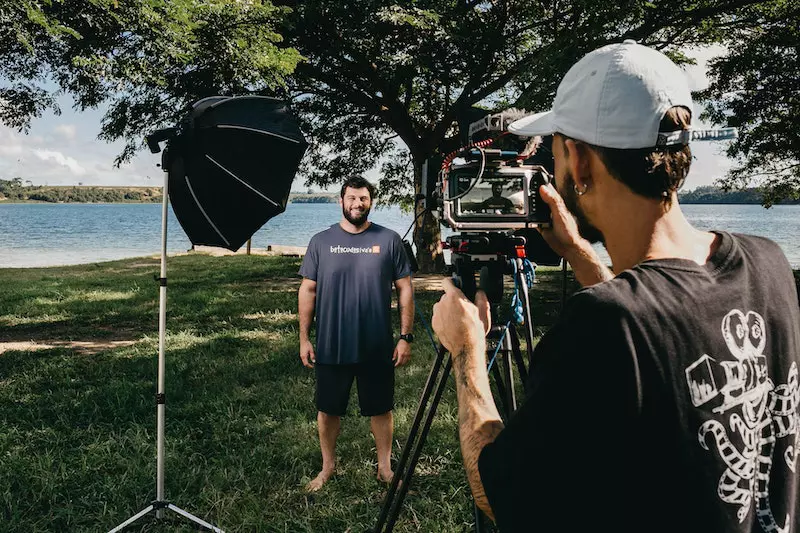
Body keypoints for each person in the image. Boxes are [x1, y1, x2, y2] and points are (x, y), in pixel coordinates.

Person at [431, 40, 800, 532]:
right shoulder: (768, 263)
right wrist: (581, 256)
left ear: (579, 162)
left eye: (554, 150)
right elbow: (659, 326)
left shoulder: (600, 324)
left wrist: (467, 352)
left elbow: (502, 493)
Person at [298, 176, 414, 492]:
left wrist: (405, 336)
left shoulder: (389, 240)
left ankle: (385, 468)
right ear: (341, 201)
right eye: (351, 198)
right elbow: (308, 289)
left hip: (376, 345)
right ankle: (327, 467)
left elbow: (405, 288)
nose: (357, 204)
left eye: (363, 198)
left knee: (381, 408)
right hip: (331, 345)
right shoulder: (320, 242)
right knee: (328, 409)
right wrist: (304, 338)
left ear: (370, 201)